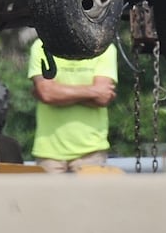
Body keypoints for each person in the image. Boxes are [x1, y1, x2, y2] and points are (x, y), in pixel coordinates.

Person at [26, 36, 117, 173]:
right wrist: (93, 92)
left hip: (91, 151)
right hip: (49, 152)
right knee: (48, 195)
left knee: (90, 195)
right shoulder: (41, 46)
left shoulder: (103, 47)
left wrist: (58, 93)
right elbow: (47, 93)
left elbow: (102, 98)